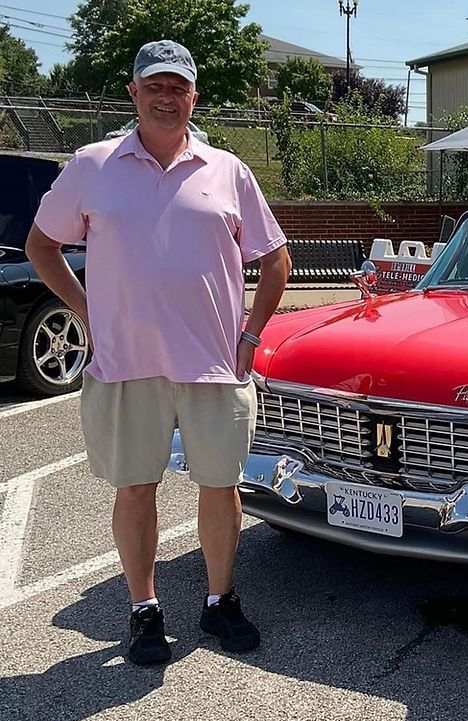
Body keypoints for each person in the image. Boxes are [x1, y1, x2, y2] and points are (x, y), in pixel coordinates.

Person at [25, 40, 291, 665]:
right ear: (134, 92)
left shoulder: (228, 170)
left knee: (220, 487)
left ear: (193, 97)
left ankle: (219, 599)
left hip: (214, 367)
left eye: (177, 87)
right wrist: (88, 312)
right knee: (135, 489)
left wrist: (250, 337)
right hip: (126, 365)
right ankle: (144, 608)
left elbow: (275, 260)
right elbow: (42, 245)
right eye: (155, 86)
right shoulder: (93, 165)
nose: (166, 98)